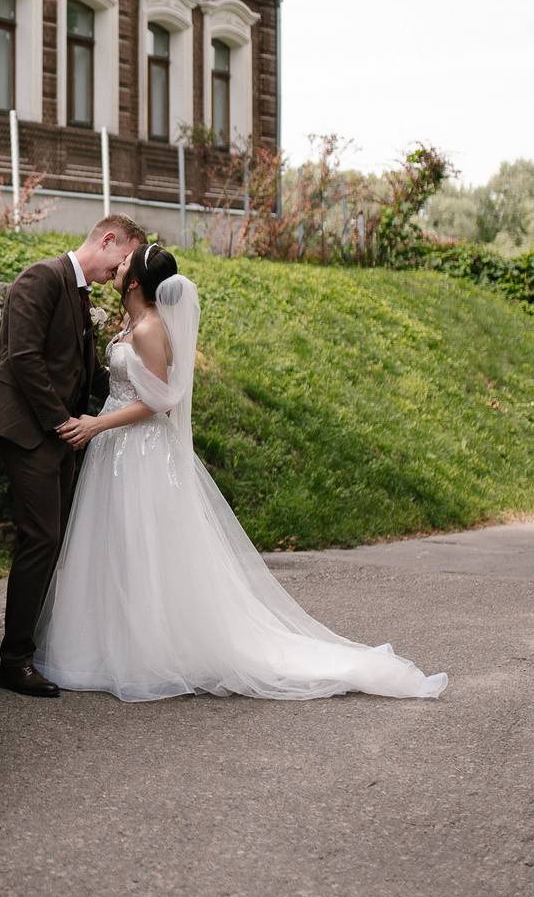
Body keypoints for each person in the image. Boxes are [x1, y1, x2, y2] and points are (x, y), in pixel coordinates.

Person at [35, 244, 449, 702]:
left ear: (133, 282)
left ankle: (147, 651)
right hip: (117, 449)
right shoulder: (135, 323)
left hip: (139, 449)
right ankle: (107, 645)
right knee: (114, 544)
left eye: (125, 264)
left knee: (142, 544)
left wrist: (97, 424)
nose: (117, 265)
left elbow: (158, 402)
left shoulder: (150, 328)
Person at [0, 214, 145, 698]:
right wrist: (63, 423)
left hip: (61, 433)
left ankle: (35, 646)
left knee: (51, 540)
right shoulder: (42, 277)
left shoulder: (80, 293)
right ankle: (14, 662)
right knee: (41, 538)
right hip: (30, 429)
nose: (122, 272)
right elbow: (23, 358)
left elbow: (84, 371)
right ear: (108, 239)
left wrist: (137, 394)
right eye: (124, 259)